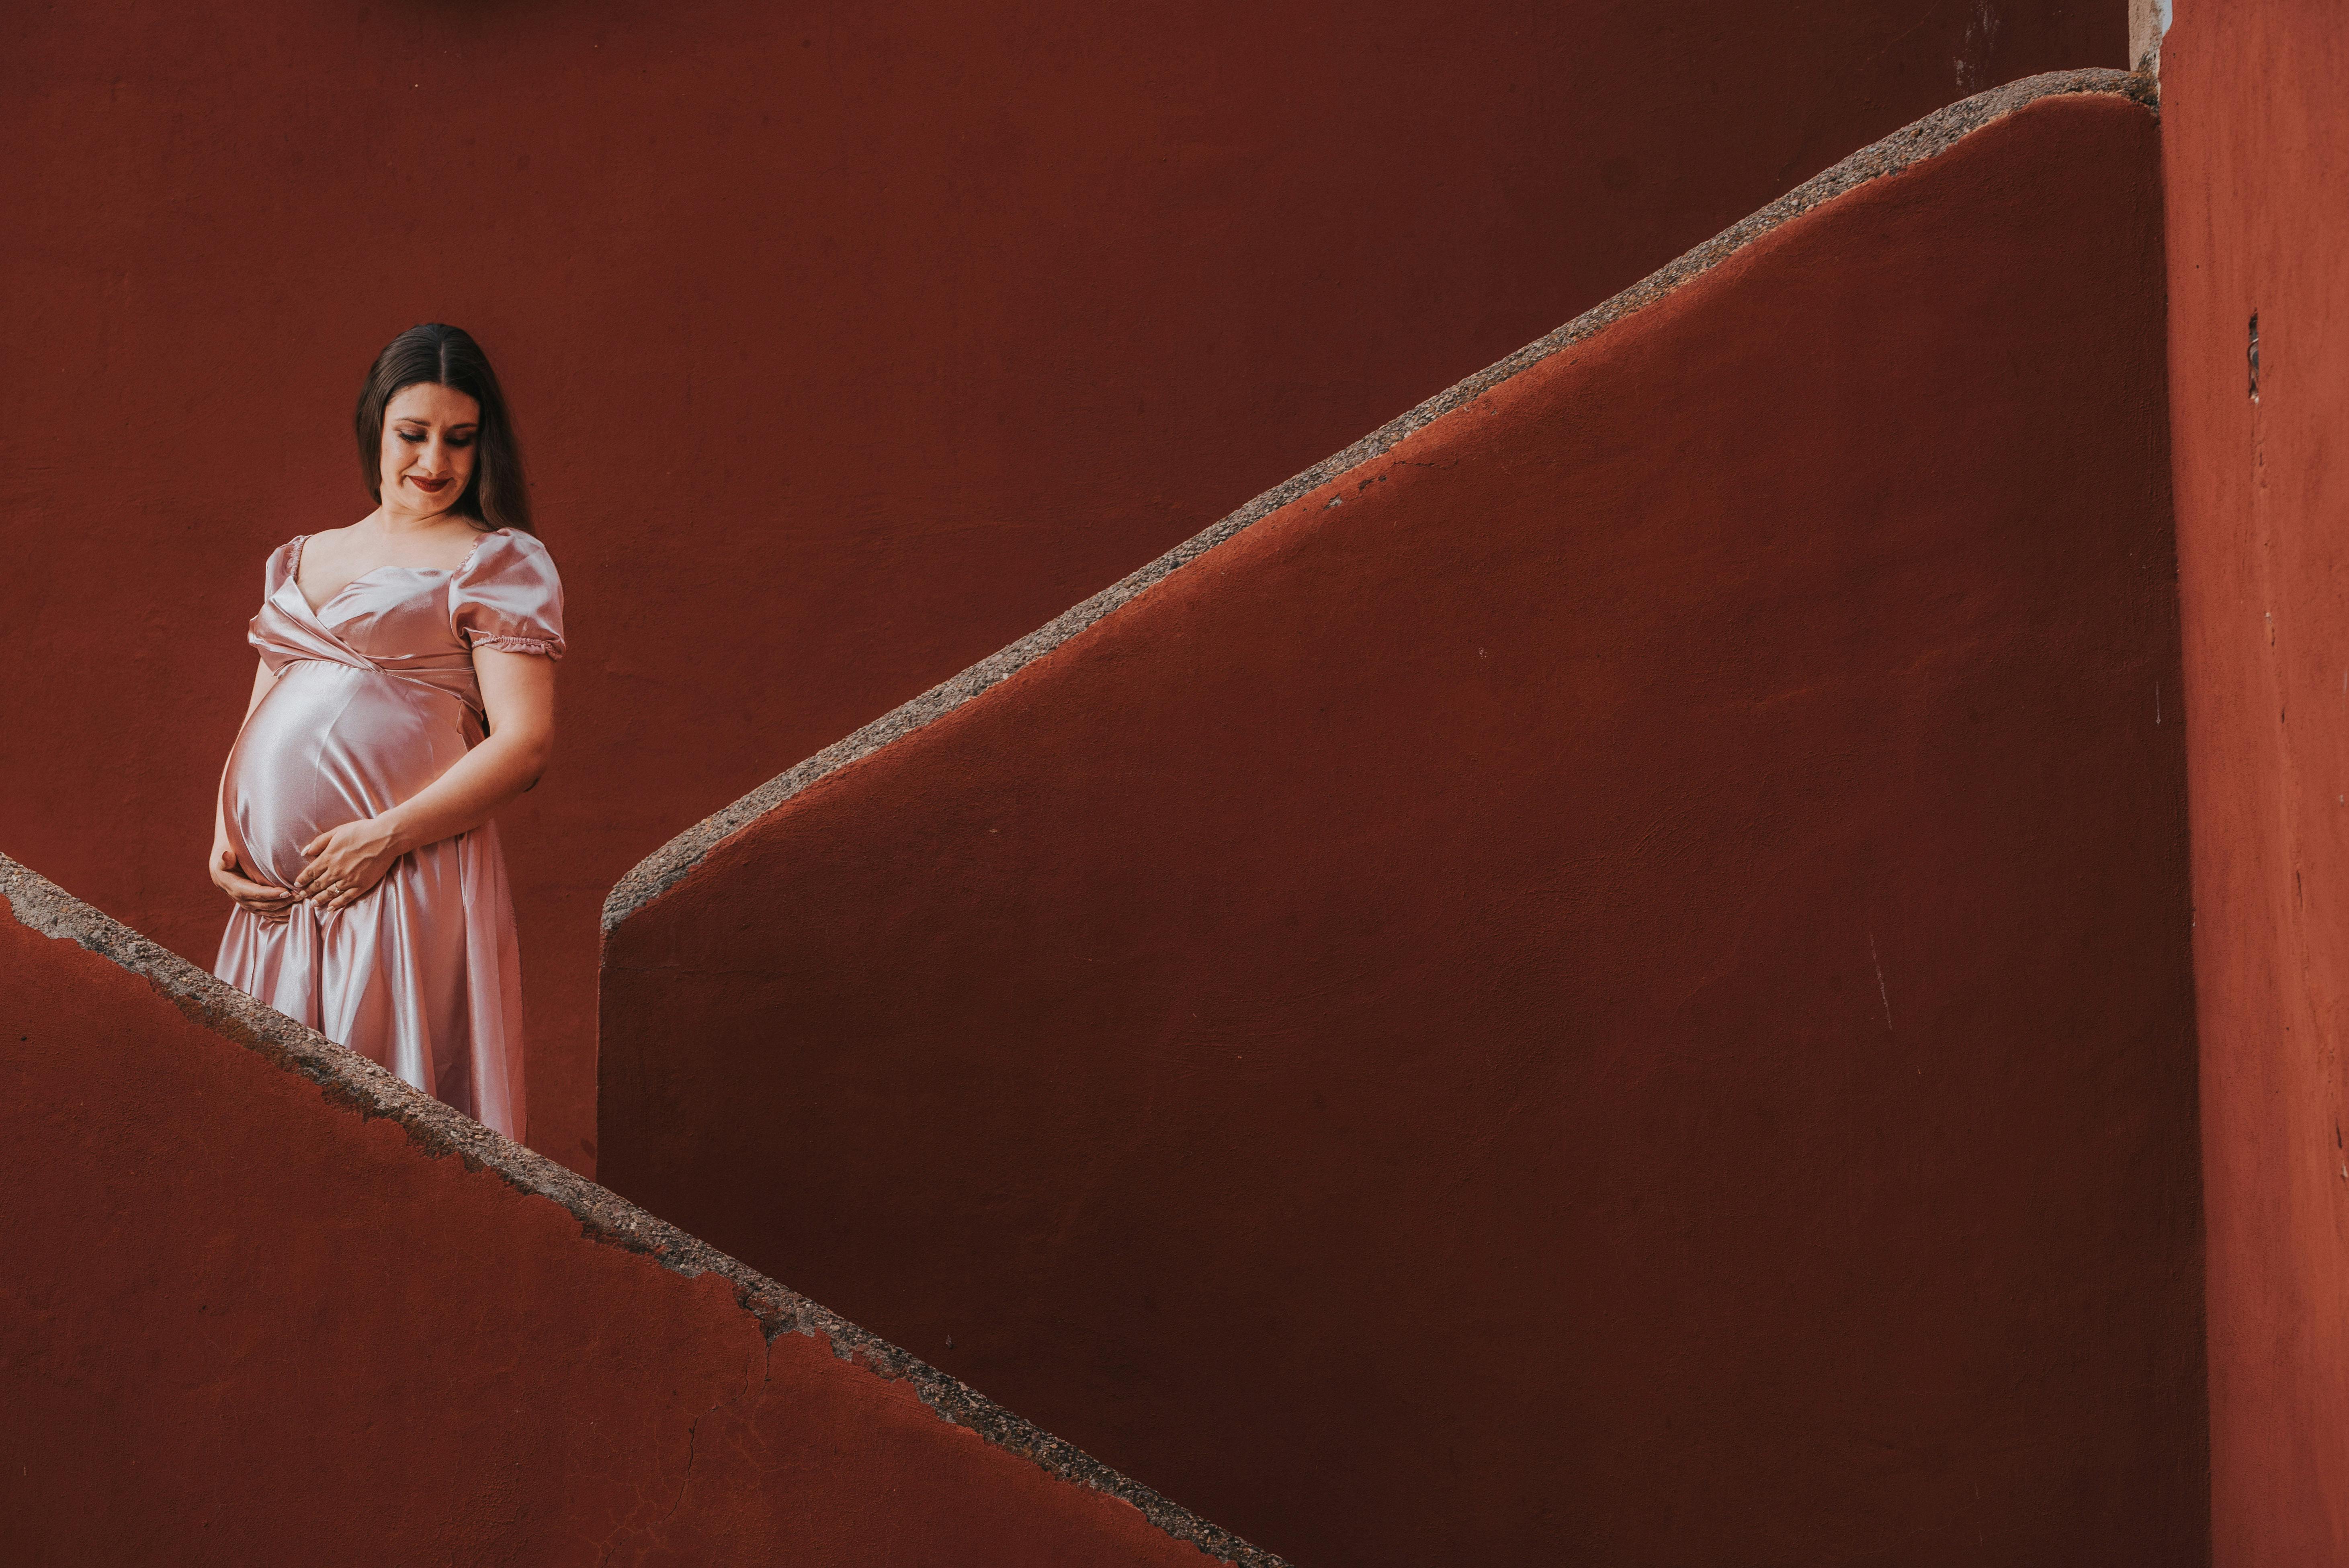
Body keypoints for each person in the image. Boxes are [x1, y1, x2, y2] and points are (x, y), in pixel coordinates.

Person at [208, 323, 563, 1140]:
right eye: (413, 434)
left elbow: (526, 744)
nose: (435, 463)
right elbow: (261, 707)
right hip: (277, 906)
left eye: (461, 440)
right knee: (269, 1134)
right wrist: (225, 833)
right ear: (376, 426)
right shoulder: (300, 556)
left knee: (383, 1129)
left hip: (400, 875)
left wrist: (385, 836)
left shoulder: (497, 561)